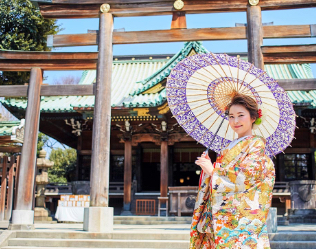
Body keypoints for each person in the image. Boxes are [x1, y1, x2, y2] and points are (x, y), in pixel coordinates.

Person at [190, 93, 276, 249]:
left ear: (253, 118)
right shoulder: (229, 146)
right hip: (217, 219)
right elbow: (225, 173)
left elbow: (247, 176)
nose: (235, 121)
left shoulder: (256, 145)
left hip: (238, 222)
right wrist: (209, 166)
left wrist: (214, 172)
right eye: (231, 116)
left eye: (240, 115)